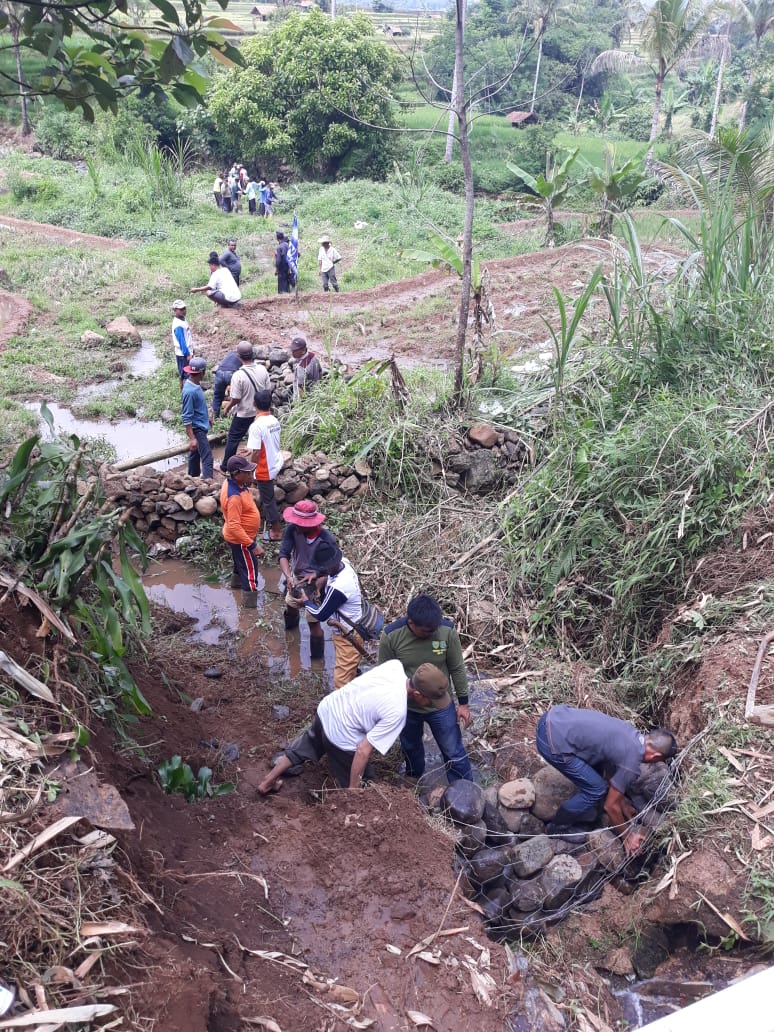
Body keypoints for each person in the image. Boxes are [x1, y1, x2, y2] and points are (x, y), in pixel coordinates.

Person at [257, 660, 450, 794]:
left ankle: (267, 782)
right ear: (417, 694)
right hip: (341, 737)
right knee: (366, 785)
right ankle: (351, 806)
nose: (431, 704)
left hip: (328, 709)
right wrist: (354, 789)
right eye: (431, 700)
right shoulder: (397, 711)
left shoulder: (394, 666)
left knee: (304, 747)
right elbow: (363, 750)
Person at [536, 705, 678, 854]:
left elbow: (610, 765)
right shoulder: (632, 761)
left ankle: (585, 814)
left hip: (552, 718)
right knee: (597, 789)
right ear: (655, 757)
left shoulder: (630, 733)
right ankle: (557, 827)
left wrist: (621, 801)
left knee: (598, 768)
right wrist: (627, 836)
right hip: (550, 742)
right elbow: (610, 807)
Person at [378, 594, 473, 784]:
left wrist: (463, 703)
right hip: (407, 706)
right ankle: (414, 781)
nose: (432, 633)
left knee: (453, 750)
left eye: (435, 628)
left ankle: (464, 787)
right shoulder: (391, 636)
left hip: (440, 704)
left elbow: (457, 668)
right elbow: (384, 675)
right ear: (411, 623)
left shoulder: (446, 631)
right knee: (410, 747)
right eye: (427, 631)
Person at [297, 541, 363, 690]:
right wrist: (317, 574)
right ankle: (356, 680)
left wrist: (306, 602)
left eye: (321, 568)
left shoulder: (339, 587)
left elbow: (321, 615)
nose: (320, 571)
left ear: (330, 566)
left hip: (348, 634)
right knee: (351, 667)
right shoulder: (344, 562)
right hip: (353, 625)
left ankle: (342, 710)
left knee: (341, 682)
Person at [278, 500, 338, 657]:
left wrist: (318, 583)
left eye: (300, 523)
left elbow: (332, 566)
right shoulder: (292, 530)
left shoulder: (326, 539)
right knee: (290, 605)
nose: (296, 525)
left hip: (318, 581)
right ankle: (291, 640)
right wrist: (288, 576)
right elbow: (283, 554)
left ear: (310, 523)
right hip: (297, 578)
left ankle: (317, 660)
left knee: (313, 622)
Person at [220, 454, 264, 608]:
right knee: (251, 571)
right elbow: (234, 525)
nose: (251, 475)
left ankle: (236, 586)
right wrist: (252, 545)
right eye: (247, 472)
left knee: (240, 564)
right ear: (236, 474)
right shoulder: (234, 497)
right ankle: (250, 611)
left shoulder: (233, 482)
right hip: (241, 540)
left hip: (239, 538)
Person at [220, 341, 271, 471]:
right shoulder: (262, 369)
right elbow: (267, 391)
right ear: (253, 355)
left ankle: (226, 466)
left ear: (238, 357)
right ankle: (262, 462)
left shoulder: (238, 375)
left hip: (244, 413)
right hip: (260, 413)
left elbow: (236, 398)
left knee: (233, 438)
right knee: (259, 438)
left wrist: (228, 407)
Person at [247, 389, 283, 541]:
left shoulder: (256, 425)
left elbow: (256, 453)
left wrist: (249, 471)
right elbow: (266, 442)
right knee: (268, 497)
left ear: (254, 404)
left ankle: (276, 532)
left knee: (268, 501)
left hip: (265, 468)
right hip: (275, 461)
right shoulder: (274, 420)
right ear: (270, 404)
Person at [181, 357, 213, 480]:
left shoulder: (195, 384)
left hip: (201, 424)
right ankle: (208, 483)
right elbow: (186, 416)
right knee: (207, 457)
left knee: (195, 454)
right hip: (197, 429)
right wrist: (192, 438)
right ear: (201, 373)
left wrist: (207, 418)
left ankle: (191, 477)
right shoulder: (189, 391)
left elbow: (199, 407)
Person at [211, 347, 244, 420]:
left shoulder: (230, 354)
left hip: (219, 373)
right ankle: (234, 415)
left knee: (217, 397)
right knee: (238, 395)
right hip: (230, 374)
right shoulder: (242, 356)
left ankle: (214, 417)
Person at [171, 299, 194, 389]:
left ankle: (185, 388)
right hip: (182, 354)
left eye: (184, 308)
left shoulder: (182, 319)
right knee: (185, 373)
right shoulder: (178, 325)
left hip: (187, 351)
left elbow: (187, 336)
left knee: (187, 371)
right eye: (181, 309)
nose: (183, 311)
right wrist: (187, 354)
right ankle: (184, 390)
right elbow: (181, 341)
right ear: (175, 310)